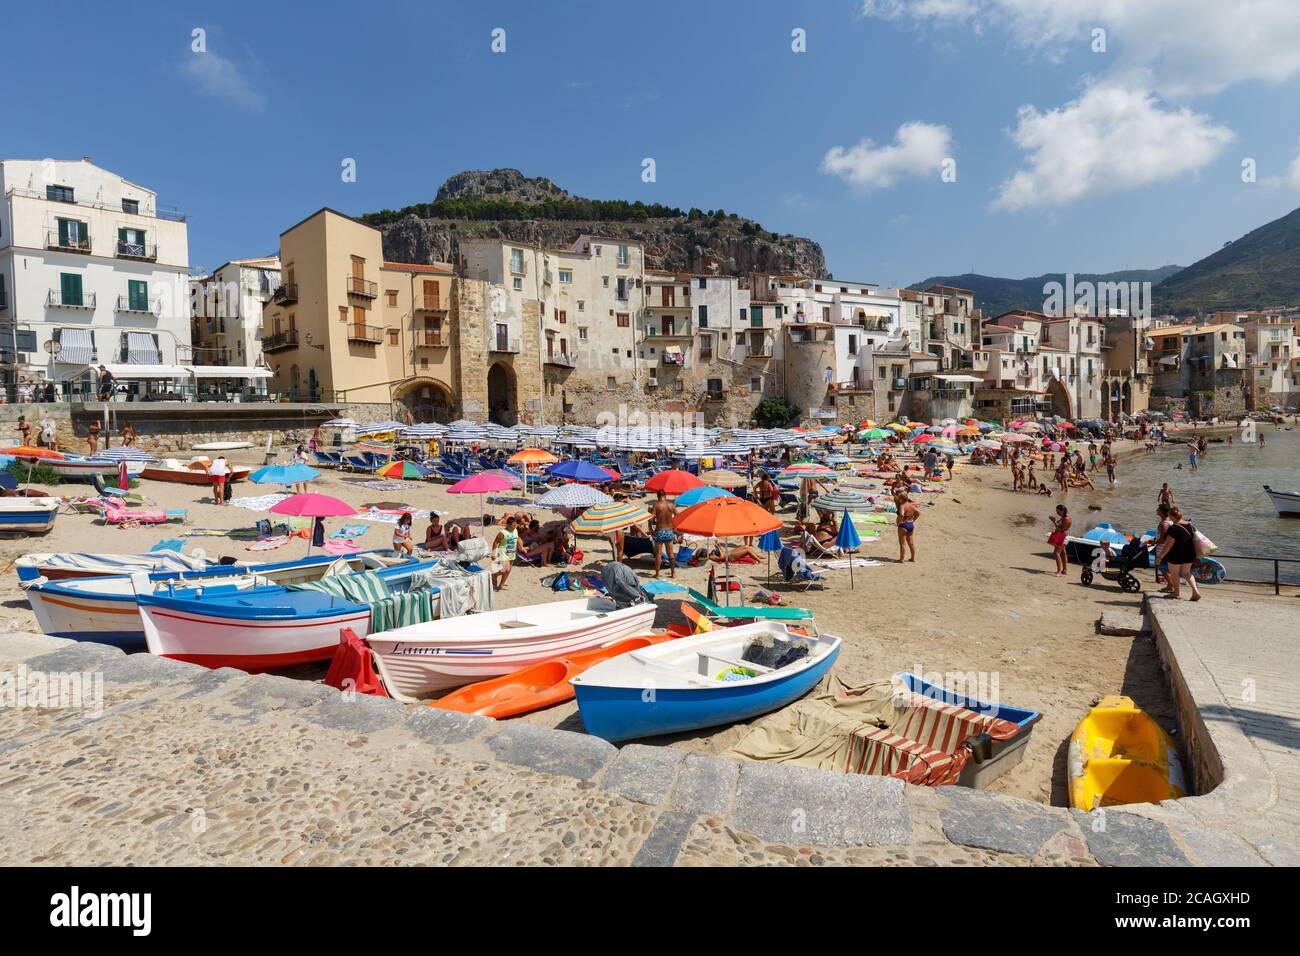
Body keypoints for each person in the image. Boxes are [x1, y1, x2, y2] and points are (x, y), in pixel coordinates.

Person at [1156, 507, 1202, 602]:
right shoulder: (1190, 525)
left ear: (1172, 516)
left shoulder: (1173, 528)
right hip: (1190, 553)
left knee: (1174, 573)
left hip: (1176, 554)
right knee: (1186, 573)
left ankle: (1176, 593)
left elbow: (1168, 545)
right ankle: (1196, 591)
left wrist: (1160, 557)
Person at [649, 489, 677, 579]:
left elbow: (651, 519)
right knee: (670, 553)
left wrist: (650, 530)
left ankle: (657, 574)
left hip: (659, 531)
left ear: (658, 496)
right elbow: (678, 516)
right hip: (669, 531)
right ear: (665, 496)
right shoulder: (671, 505)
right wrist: (674, 527)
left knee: (659, 553)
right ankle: (673, 573)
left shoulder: (656, 505)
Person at [491, 515, 520, 591]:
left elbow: (517, 538)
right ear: (508, 525)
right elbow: (495, 542)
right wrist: (494, 553)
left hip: (512, 552)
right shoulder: (502, 533)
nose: (515, 526)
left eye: (515, 525)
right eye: (513, 525)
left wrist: (521, 547)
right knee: (505, 569)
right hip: (503, 552)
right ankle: (494, 575)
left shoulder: (515, 530)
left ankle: (501, 585)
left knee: (508, 570)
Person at [895, 492, 919, 562]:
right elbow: (918, 513)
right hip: (910, 524)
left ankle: (901, 559)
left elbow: (902, 514)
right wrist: (913, 520)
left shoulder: (902, 506)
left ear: (901, 499)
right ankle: (912, 558)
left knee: (902, 543)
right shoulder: (911, 505)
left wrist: (899, 522)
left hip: (903, 525)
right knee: (911, 543)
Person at [1048, 504, 1071, 576]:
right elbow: (1060, 528)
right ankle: (1064, 570)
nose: (1057, 513)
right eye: (1056, 511)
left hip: (1062, 536)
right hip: (1062, 535)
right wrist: (1054, 521)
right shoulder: (1063, 517)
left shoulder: (1066, 519)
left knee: (1056, 553)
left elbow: (1061, 529)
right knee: (1063, 553)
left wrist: (1054, 521)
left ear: (1063, 511)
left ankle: (1059, 571)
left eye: (1058, 512)